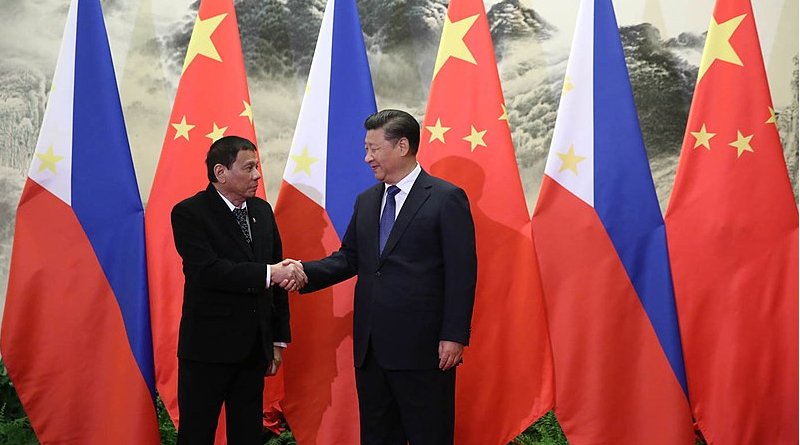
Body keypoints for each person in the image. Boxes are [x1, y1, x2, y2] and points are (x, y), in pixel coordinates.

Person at [300, 109, 477, 444]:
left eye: (373, 148)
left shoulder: (445, 198)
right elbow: (349, 259)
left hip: (424, 351)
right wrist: (300, 272)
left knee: (430, 435)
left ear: (402, 146)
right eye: (366, 149)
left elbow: (461, 272)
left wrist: (454, 335)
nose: (367, 158)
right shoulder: (367, 201)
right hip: (372, 350)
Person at [171, 135, 306, 445]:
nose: (258, 175)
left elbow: (276, 281)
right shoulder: (190, 213)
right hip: (207, 351)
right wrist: (272, 273)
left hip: (252, 350)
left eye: (257, 167)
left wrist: (277, 339)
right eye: (249, 168)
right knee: (196, 433)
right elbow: (208, 271)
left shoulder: (261, 210)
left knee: (247, 434)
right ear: (221, 172)